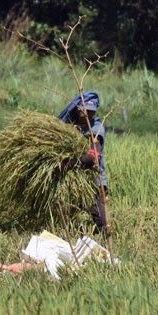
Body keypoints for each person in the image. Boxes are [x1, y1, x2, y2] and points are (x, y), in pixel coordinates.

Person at [58, 91, 109, 236]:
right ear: (78, 108)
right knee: (65, 212)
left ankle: (106, 240)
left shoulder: (96, 128)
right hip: (71, 178)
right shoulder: (68, 126)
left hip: (92, 178)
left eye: (91, 112)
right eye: (85, 110)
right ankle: (70, 236)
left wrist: (69, 164)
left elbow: (93, 157)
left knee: (100, 218)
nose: (88, 115)